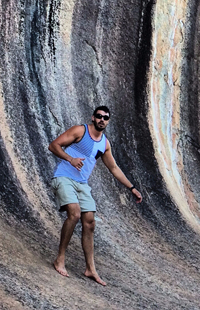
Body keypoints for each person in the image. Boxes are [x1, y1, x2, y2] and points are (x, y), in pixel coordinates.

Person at [48, 105, 143, 284]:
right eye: (99, 116)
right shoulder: (80, 131)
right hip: (64, 177)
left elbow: (114, 168)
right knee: (74, 214)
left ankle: (90, 269)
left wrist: (132, 188)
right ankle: (60, 258)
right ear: (93, 117)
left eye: (105, 118)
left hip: (82, 184)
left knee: (89, 222)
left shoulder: (104, 144)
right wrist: (71, 159)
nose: (102, 120)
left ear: (107, 121)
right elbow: (53, 145)